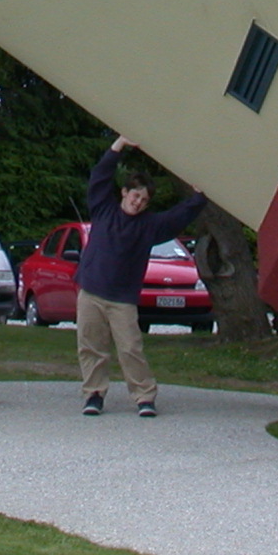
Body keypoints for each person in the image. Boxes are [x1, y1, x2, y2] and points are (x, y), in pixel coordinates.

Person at [75, 135, 206, 417]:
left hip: (122, 299)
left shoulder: (150, 226)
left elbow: (178, 217)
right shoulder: (103, 209)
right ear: (124, 192)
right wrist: (118, 145)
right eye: (135, 196)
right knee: (91, 347)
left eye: (144, 200)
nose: (138, 203)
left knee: (130, 349)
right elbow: (99, 177)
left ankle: (144, 398)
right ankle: (93, 395)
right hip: (90, 292)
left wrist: (199, 198)